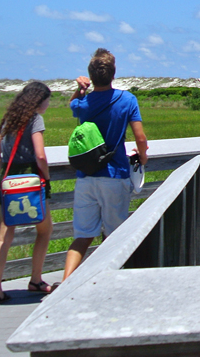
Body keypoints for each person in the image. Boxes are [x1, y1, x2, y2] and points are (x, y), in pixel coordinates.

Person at [60, 48, 148, 284]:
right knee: (115, 236)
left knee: (82, 235)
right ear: (113, 73)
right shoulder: (127, 100)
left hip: (86, 177)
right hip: (115, 174)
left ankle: (65, 283)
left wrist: (80, 89)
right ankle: (108, 281)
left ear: (91, 74)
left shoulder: (84, 103)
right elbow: (140, 138)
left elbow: (72, 105)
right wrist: (143, 157)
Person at [0, 81, 54, 305]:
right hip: (32, 181)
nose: (47, 104)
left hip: (8, 182)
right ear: (39, 100)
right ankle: (35, 280)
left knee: (3, 237)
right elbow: (41, 156)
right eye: (47, 100)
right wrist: (45, 177)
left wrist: (7, 175)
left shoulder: (9, 120)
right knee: (44, 231)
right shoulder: (36, 120)